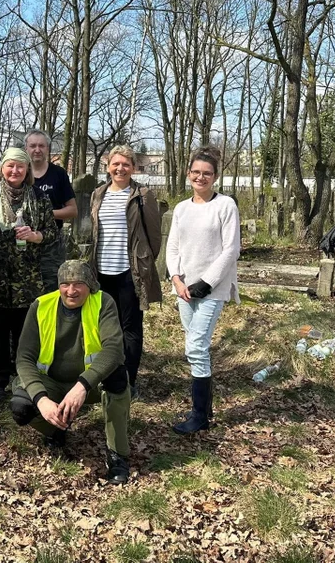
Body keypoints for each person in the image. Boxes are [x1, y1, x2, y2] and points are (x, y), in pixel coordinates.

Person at [11, 261, 132, 484]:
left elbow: (114, 349)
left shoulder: (103, 302)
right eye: (65, 284)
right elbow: (24, 358)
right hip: (53, 383)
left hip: (92, 384)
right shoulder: (41, 306)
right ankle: (56, 429)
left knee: (117, 378)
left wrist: (82, 386)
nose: (71, 291)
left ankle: (118, 454)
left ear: (90, 285)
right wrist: (40, 399)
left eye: (78, 284)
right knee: (21, 405)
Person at [165, 145, 240, 434]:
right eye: (196, 172)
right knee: (196, 345)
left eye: (206, 173)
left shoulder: (225, 206)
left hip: (213, 288)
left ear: (215, 176)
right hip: (184, 289)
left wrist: (206, 283)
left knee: (195, 347)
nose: (201, 177)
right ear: (188, 175)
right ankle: (204, 406)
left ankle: (199, 416)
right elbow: (173, 246)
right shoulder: (182, 209)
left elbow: (231, 249)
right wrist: (176, 279)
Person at [0, 148, 57, 402]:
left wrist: (36, 236)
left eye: (20, 167)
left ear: (27, 171)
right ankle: (0, 379)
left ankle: (23, 377)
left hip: (28, 278)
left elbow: (53, 234)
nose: (15, 171)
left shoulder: (38, 198)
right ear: (1, 168)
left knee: (25, 331)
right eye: (10, 166)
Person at [89, 144, 163, 400]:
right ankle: (109, 375)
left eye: (126, 164)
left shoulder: (143, 195)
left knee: (130, 327)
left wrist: (145, 261)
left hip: (129, 271)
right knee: (106, 327)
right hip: (101, 272)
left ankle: (129, 380)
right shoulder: (98, 194)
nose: (120, 169)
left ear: (133, 168)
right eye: (115, 164)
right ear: (107, 166)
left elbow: (154, 236)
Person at [25, 130, 77, 293]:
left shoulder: (58, 174)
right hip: (23, 243)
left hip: (52, 245)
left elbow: (72, 210)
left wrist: (46, 214)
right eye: (33, 146)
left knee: (51, 292)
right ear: (26, 148)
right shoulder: (18, 172)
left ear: (48, 149)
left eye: (42, 145)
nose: (37, 149)